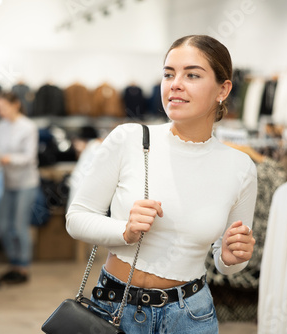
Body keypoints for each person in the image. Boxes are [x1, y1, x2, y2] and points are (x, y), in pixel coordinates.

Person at [66, 35, 257, 333]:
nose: (175, 84)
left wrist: (233, 258)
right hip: (114, 308)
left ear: (223, 89)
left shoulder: (240, 167)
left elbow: (226, 262)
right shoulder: (128, 139)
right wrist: (125, 231)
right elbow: (76, 219)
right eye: (169, 74)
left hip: (191, 316)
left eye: (192, 74)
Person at [0, 91, 40, 284]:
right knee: (3, 226)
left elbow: (30, 157)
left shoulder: (28, 127)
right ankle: (13, 263)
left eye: (4, 108)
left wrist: (8, 159)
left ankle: (23, 267)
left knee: (19, 225)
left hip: (25, 183)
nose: (1, 112)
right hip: (5, 182)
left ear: (16, 105)